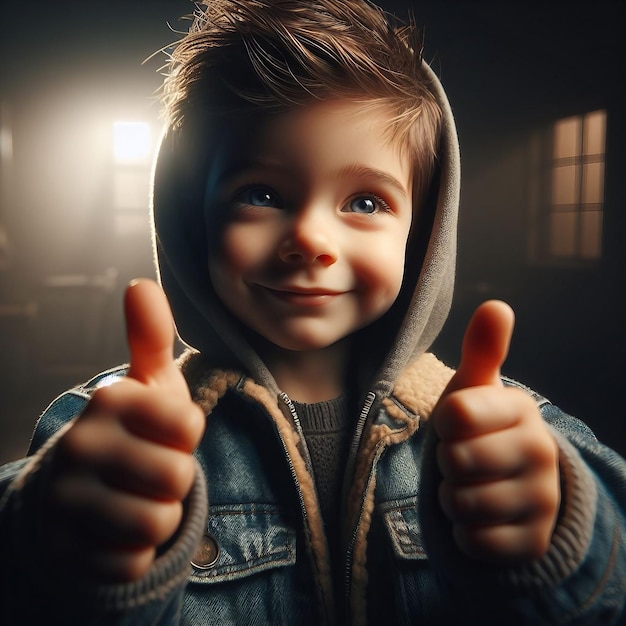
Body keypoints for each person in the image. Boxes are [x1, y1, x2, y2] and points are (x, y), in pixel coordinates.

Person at [1, 1, 625, 624]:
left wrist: (562, 533)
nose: (311, 239)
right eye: (261, 194)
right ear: (195, 220)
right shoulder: (110, 432)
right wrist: (64, 543)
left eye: (366, 201)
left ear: (423, 232)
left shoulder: (507, 433)